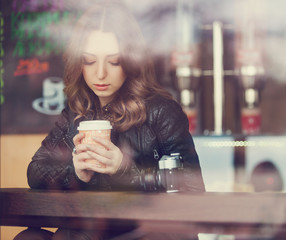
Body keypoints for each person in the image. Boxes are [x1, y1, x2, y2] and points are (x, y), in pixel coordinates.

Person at [14, 0, 205, 239]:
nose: (100, 73)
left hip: (142, 231)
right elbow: (36, 171)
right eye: (89, 61)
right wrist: (76, 172)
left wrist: (125, 171)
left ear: (131, 61)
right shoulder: (79, 110)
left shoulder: (162, 111)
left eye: (114, 61)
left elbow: (192, 189)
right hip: (92, 229)